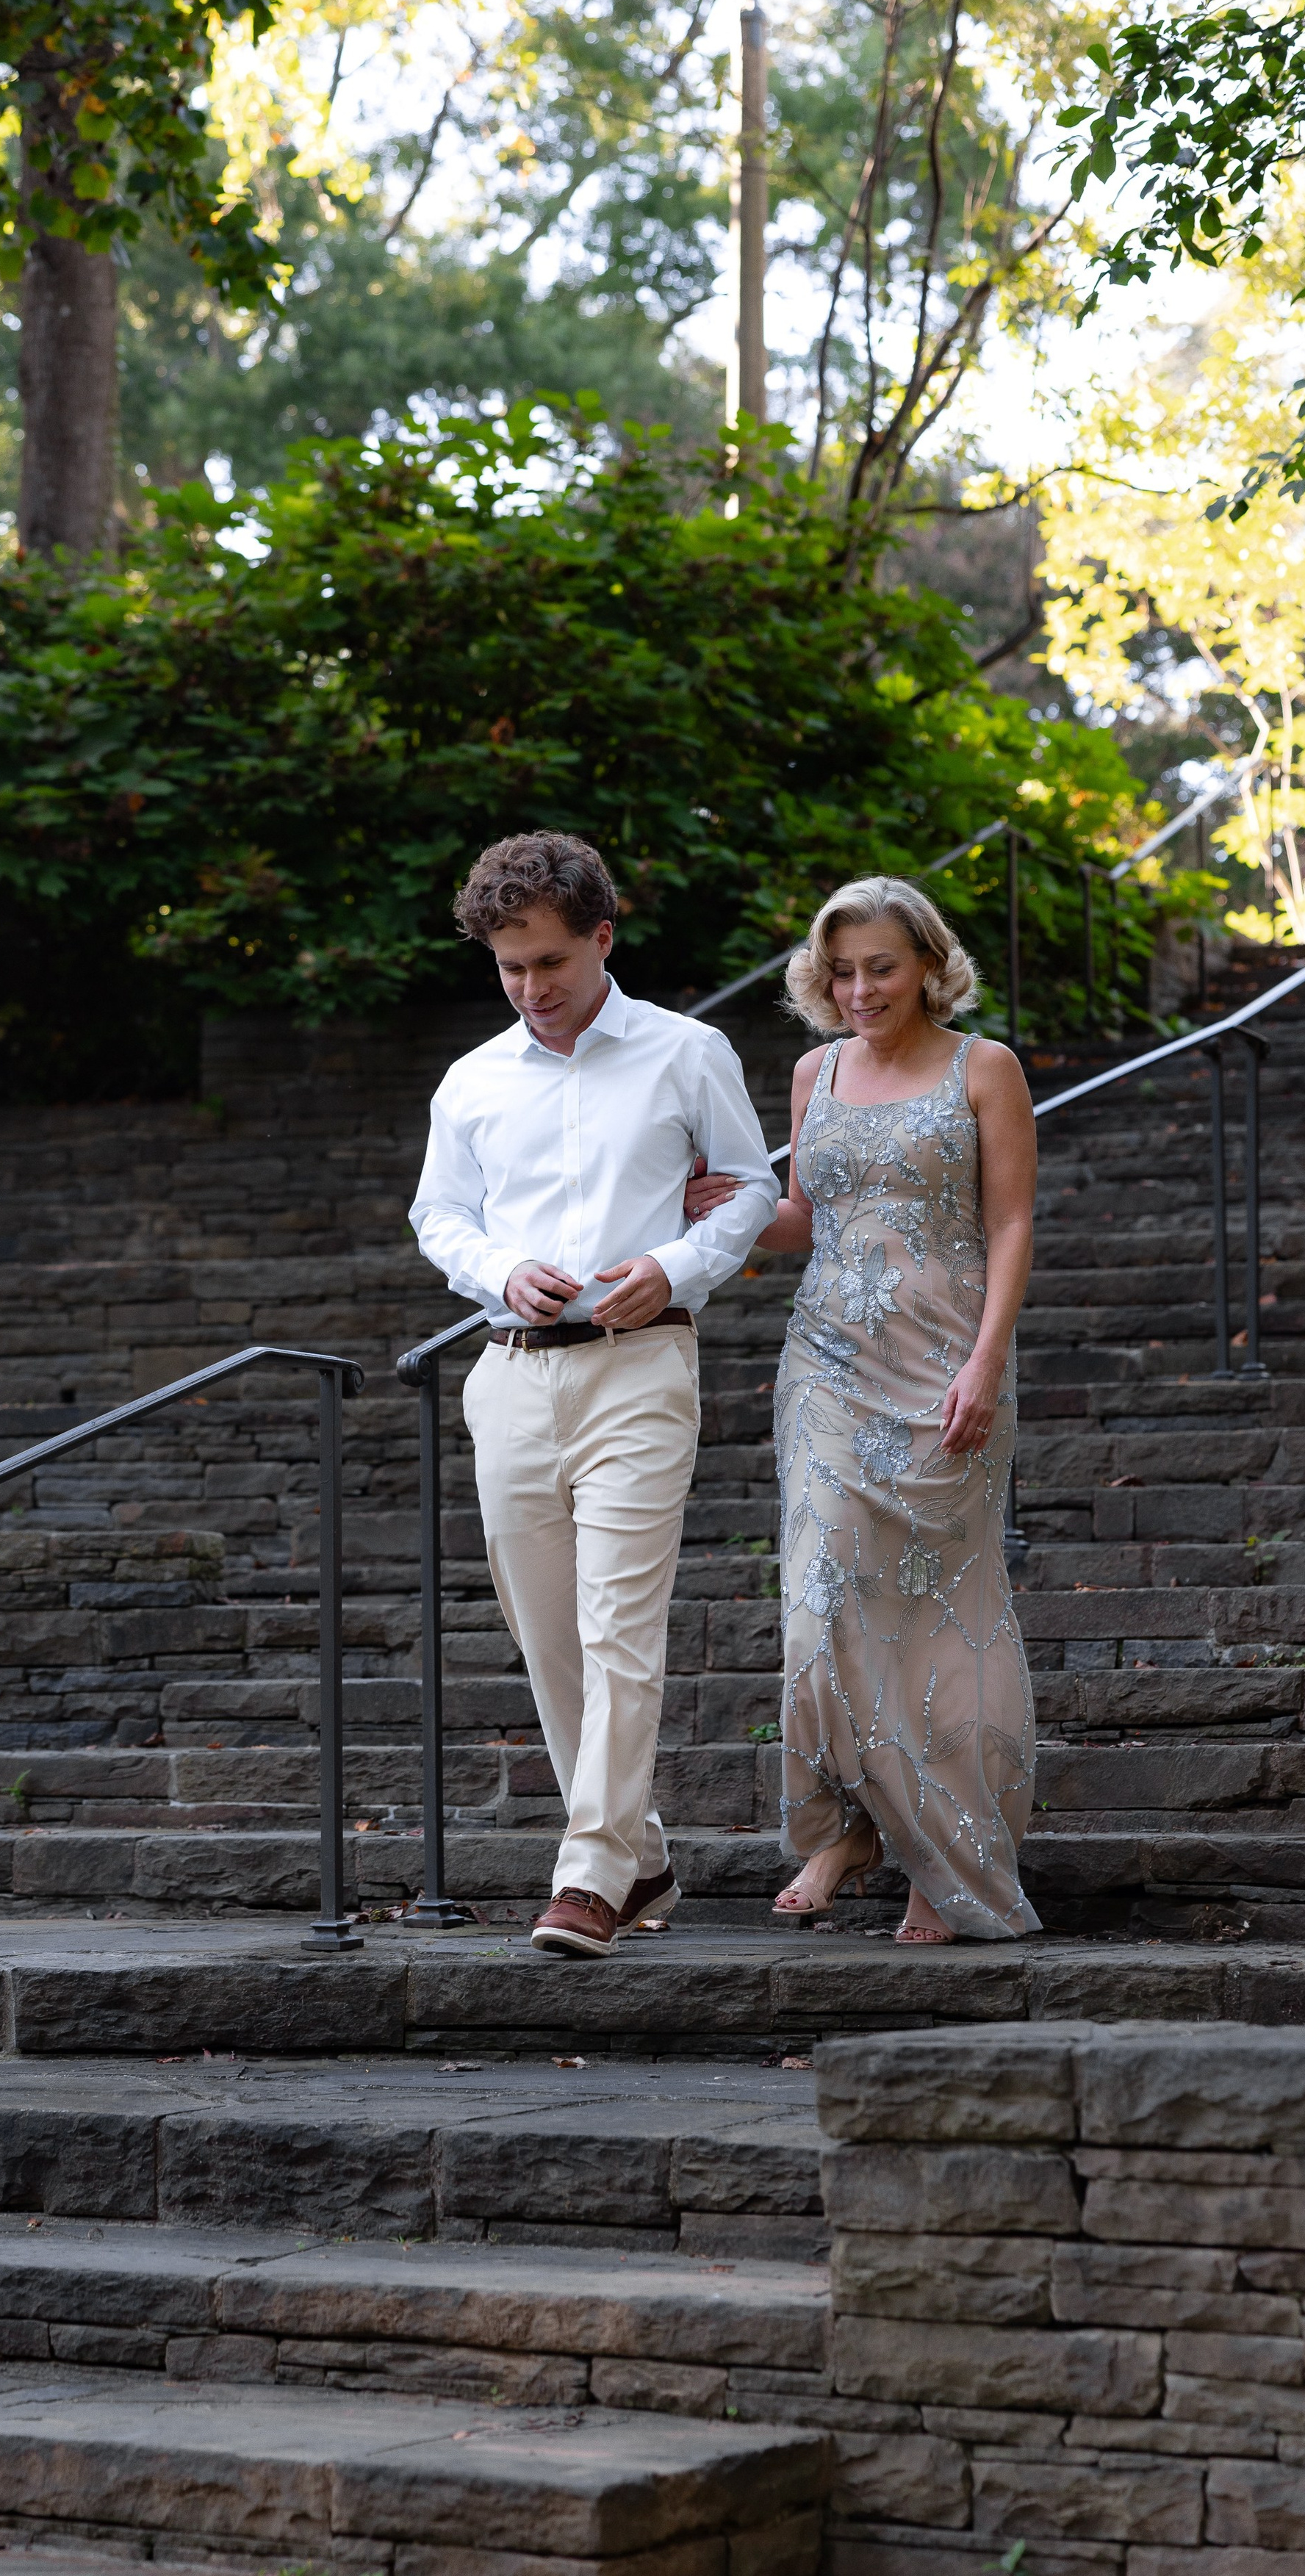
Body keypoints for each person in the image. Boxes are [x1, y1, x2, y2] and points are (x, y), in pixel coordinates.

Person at [411, 832, 780, 1960]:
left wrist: (672, 1267)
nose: (532, 989)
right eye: (511, 967)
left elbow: (752, 1187)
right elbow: (442, 1218)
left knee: (621, 1621)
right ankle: (642, 1851)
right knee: (547, 1635)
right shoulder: (471, 1081)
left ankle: (589, 1873)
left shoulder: (687, 1051)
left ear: (603, 938)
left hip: (641, 1368)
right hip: (510, 1374)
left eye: (552, 964)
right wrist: (495, 1273)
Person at [685, 874, 1038, 1943]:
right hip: (828, 1366)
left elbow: (1014, 1223)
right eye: (840, 970)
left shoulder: (986, 1068)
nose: (859, 987)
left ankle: (946, 1856)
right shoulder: (813, 1070)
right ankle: (848, 1824)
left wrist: (985, 1363)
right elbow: (809, 1217)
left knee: (944, 1619)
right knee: (819, 1602)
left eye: (880, 965)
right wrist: (733, 1220)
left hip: (945, 1366)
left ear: (929, 962)